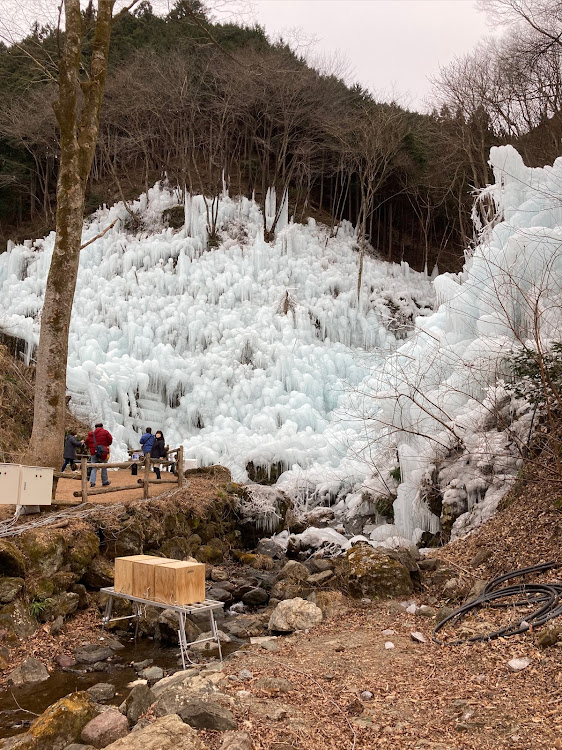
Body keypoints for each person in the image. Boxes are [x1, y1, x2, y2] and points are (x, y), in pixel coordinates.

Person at [85, 422, 113, 487]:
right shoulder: (105, 432)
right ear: (102, 426)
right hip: (103, 452)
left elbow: (87, 442)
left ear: (95, 427)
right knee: (104, 467)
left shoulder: (92, 434)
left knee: (94, 467)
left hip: (93, 452)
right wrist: (106, 445)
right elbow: (110, 440)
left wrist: (92, 447)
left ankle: (92, 482)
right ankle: (104, 481)